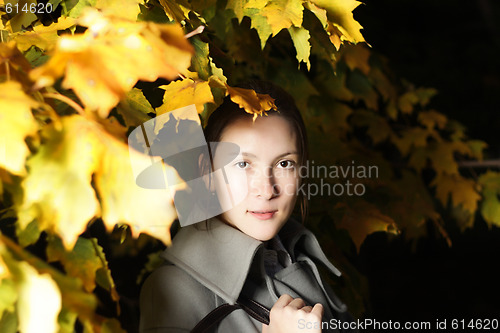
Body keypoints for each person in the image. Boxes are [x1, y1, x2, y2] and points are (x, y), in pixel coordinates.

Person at [139, 81, 353, 332]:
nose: (266, 190)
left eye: (284, 164)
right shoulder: (173, 291)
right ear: (206, 172)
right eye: (243, 164)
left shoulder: (301, 261)